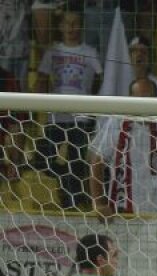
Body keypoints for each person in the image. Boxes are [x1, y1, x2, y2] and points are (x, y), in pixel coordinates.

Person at [88, 78, 157, 222]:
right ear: (131, 99)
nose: (143, 102)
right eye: (139, 97)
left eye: (148, 97)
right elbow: (96, 163)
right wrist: (99, 204)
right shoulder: (117, 122)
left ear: (156, 99)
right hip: (121, 210)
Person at [34, 6, 102, 211]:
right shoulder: (52, 51)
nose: (71, 27)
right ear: (61, 26)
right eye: (67, 23)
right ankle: (66, 184)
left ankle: (71, 202)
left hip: (81, 117)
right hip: (56, 116)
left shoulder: (90, 52)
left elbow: (100, 77)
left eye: (75, 23)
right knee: (42, 159)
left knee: (77, 163)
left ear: (80, 26)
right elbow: (42, 78)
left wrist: (91, 101)